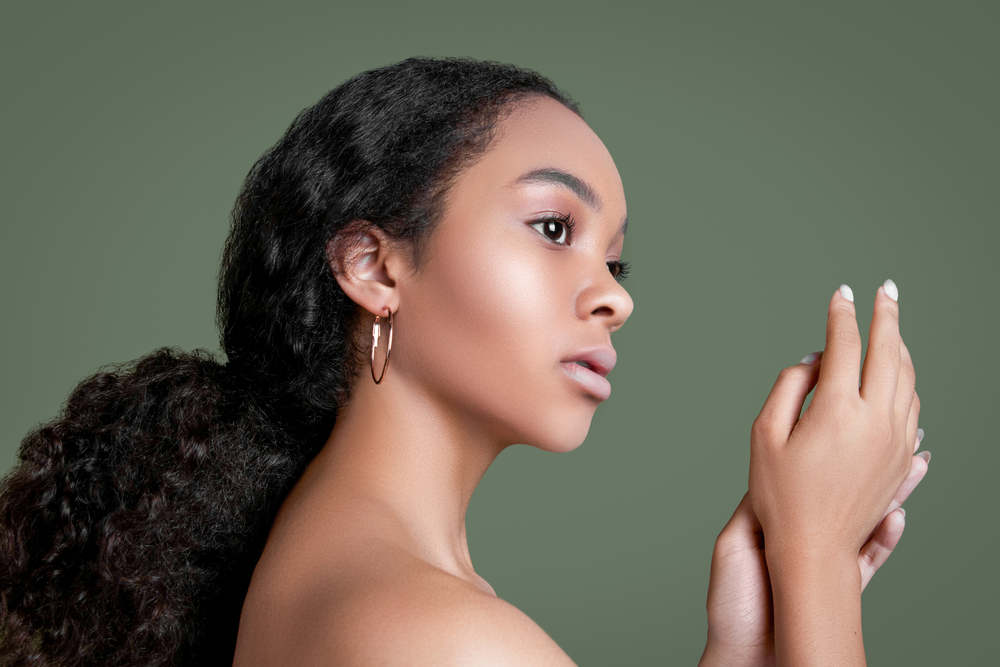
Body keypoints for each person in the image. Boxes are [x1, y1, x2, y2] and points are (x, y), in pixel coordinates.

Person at [0, 58, 928, 666]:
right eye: (553, 227)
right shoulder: (439, 634)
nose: (615, 293)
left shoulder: (349, 584)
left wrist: (747, 643)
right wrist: (809, 555)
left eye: (614, 256)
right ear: (375, 265)